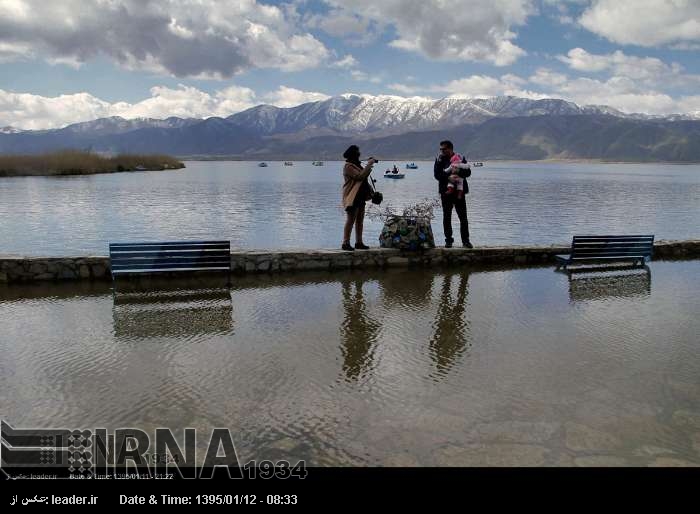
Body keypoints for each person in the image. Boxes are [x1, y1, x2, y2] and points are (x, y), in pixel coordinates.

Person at [433, 140, 472, 248]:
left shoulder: (460, 158)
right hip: (446, 192)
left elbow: (468, 172)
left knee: (463, 217)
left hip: (459, 192)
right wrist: (448, 177)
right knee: (447, 217)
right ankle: (448, 241)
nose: (441, 151)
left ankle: (466, 241)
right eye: (440, 149)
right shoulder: (439, 159)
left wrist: (458, 172)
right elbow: (437, 175)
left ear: (450, 149)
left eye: (443, 149)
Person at [341, 145, 377, 251]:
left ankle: (359, 242)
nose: (359, 154)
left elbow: (363, 178)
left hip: (361, 196)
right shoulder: (348, 166)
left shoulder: (357, 165)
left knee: (360, 221)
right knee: (351, 220)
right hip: (353, 197)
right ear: (353, 154)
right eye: (357, 152)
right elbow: (360, 176)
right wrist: (369, 164)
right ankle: (345, 242)